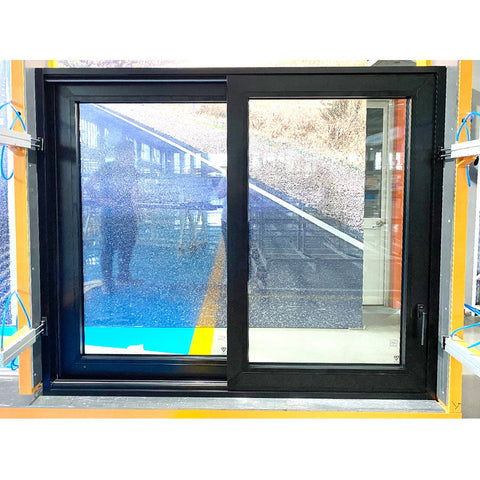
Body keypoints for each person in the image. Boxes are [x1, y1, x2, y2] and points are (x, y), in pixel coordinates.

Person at [84, 141, 140, 294]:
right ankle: (107, 282)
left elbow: (135, 189)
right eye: (131, 152)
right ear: (121, 153)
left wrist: (134, 200)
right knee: (108, 247)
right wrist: (103, 200)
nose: (134, 155)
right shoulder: (107, 168)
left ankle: (124, 276)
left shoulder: (132, 170)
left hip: (127, 214)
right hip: (110, 214)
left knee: (128, 244)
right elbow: (88, 185)